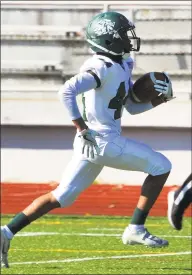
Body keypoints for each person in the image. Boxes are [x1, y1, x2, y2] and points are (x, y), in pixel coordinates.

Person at [1, 11, 174, 268]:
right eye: (124, 35)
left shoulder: (121, 64)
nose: (130, 39)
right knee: (162, 166)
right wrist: (81, 126)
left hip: (90, 143)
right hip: (102, 140)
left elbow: (129, 108)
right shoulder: (100, 66)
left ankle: (5, 232)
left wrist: (158, 100)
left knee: (61, 196)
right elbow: (66, 91)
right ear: (109, 40)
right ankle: (135, 228)